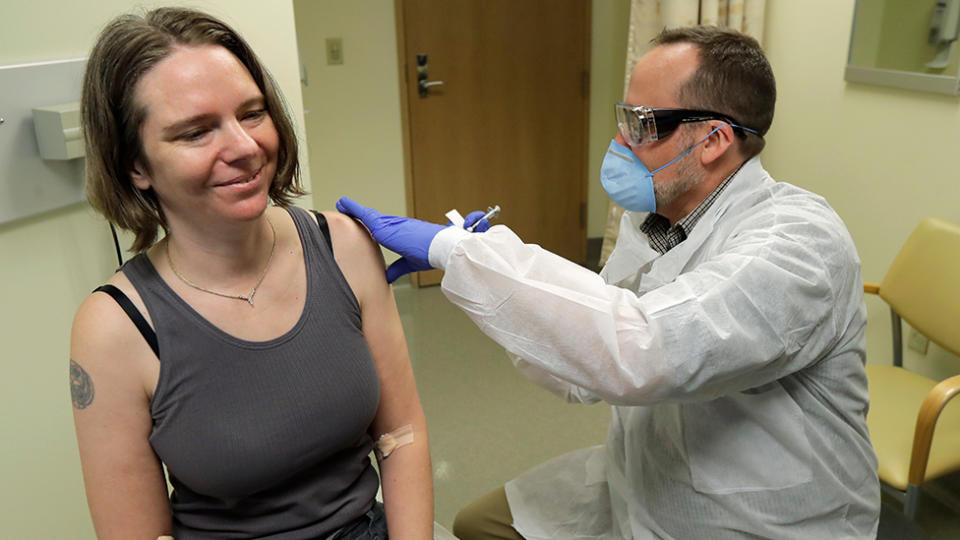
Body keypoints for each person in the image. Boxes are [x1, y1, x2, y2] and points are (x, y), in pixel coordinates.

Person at [337, 26, 880, 539]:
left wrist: (461, 253)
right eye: (624, 117)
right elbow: (585, 369)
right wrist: (485, 281)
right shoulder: (660, 222)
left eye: (641, 124)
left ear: (713, 140)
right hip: (649, 474)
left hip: (758, 517)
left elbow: (642, 351)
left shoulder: (798, 246)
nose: (620, 141)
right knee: (481, 523)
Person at [70, 7, 435, 539]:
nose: (244, 148)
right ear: (136, 166)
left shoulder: (345, 247)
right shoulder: (114, 328)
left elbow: (402, 435)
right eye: (196, 132)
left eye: (253, 113)